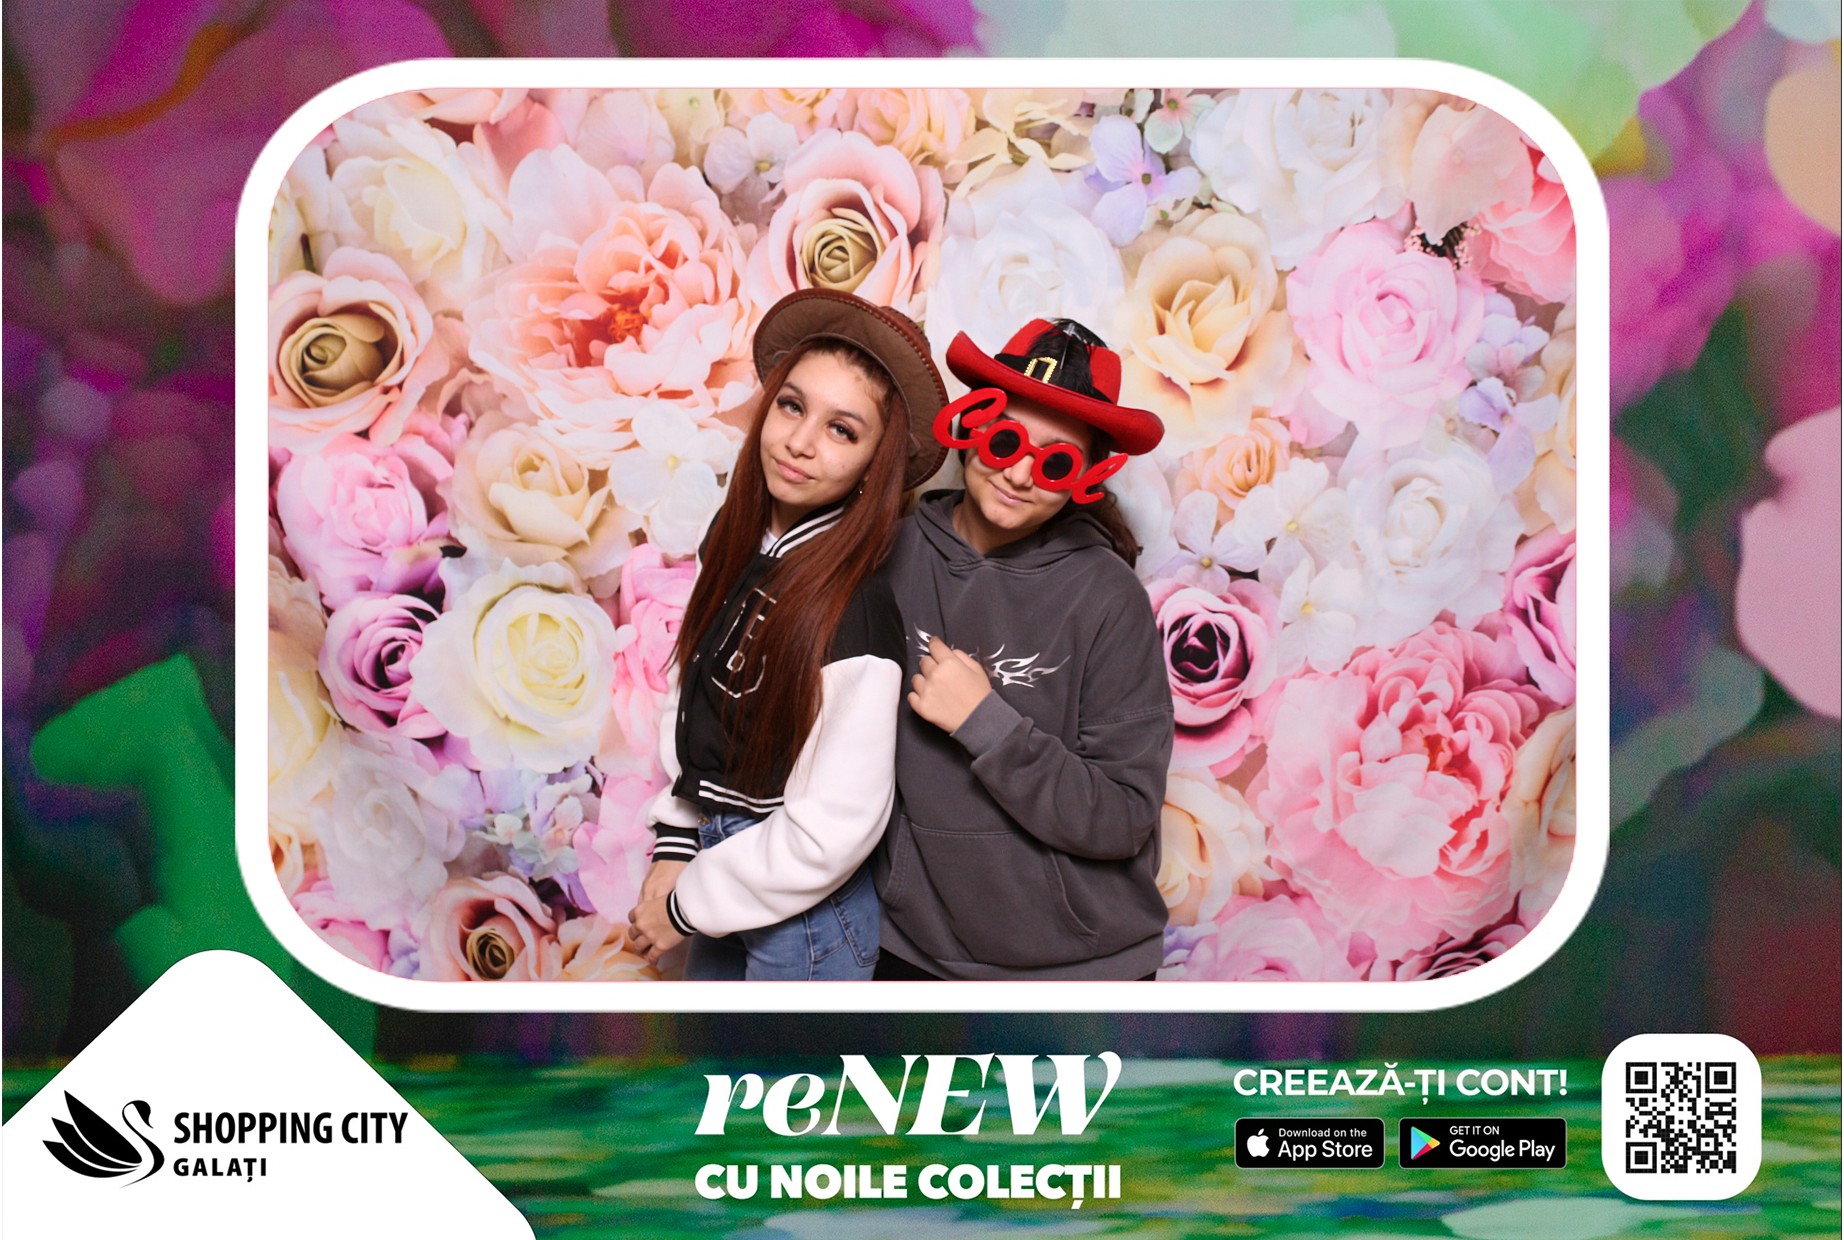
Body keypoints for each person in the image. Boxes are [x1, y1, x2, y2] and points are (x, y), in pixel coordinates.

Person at [626, 290, 947, 980]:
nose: (800, 442)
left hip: (804, 921)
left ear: (876, 464)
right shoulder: (735, 536)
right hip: (721, 875)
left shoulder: (858, 610)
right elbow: (693, 687)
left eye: (843, 430)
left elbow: (833, 829)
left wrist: (687, 904)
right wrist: (677, 841)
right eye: (793, 406)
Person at [873, 318, 1175, 980]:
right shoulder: (887, 557)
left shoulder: (1108, 597)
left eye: (1056, 461)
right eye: (1005, 439)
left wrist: (985, 722)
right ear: (970, 427)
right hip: (915, 952)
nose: (1017, 472)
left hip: (1080, 969)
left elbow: (1124, 814)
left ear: (1088, 477)